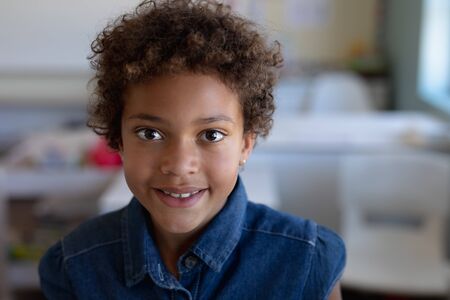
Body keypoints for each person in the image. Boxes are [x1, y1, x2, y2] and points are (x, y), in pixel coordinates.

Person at [39, 0, 345, 299]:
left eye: (211, 134)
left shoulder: (307, 262)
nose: (180, 165)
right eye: (150, 133)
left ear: (245, 144)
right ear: (118, 139)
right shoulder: (74, 267)